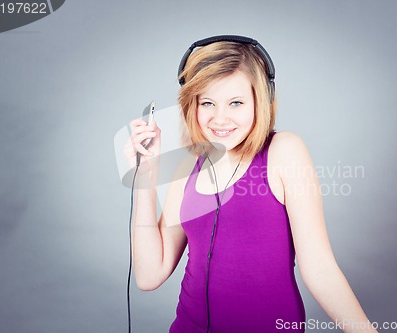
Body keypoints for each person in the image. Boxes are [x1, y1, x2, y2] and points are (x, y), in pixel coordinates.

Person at [125, 36, 378, 333]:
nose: (220, 119)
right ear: (191, 104)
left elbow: (319, 268)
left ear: (261, 101)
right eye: (207, 102)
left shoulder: (285, 151)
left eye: (236, 102)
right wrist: (145, 176)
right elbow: (148, 275)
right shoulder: (187, 166)